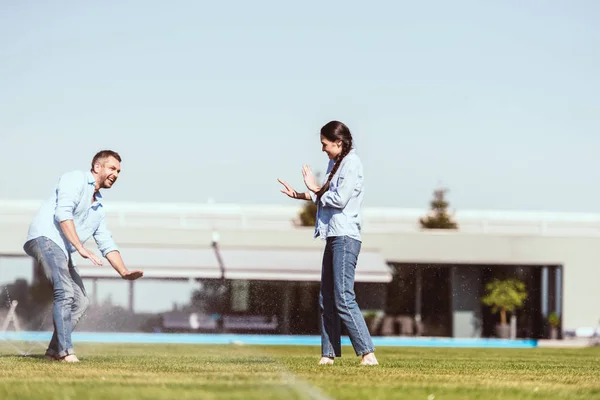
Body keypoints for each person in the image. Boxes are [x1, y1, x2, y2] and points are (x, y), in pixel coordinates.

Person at [23, 150, 143, 362]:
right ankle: (65, 351)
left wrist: (123, 271)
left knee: (80, 301)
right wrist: (80, 247)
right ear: (97, 167)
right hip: (46, 238)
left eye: (119, 171)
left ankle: (53, 352)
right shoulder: (75, 179)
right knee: (66, 292)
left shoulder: (98, 208)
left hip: (63, 248)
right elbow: (63, 214)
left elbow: (107, 243)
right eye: (112, 168)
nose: (116, 174)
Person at [278, 121, 378, 366]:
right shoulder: (336, 163)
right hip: (333, 235)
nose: (322, 149)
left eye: (325, 144)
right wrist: (301, 194)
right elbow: (324, 193)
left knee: (343, 296)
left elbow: (339, 199)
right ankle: (328, 354)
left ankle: (368, 354)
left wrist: (312, 188)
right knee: (327, 298)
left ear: (338, 142)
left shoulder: (352, 163)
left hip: (346, 236)